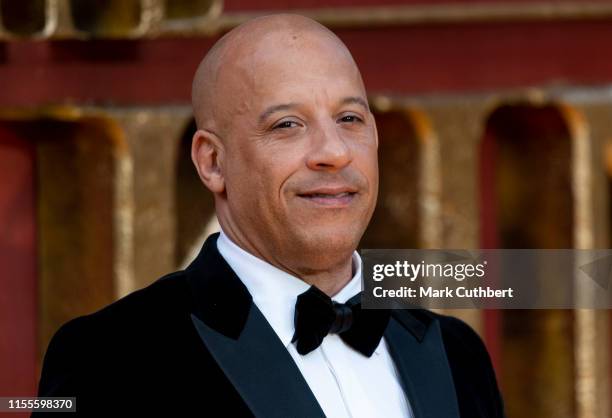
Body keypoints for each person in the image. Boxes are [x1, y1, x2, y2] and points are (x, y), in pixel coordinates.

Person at [35, 14, 505, 417]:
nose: (334, 152)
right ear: (213, 163)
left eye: (349, 119)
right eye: (287, 125)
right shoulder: (109, 358)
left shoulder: (456, 354)